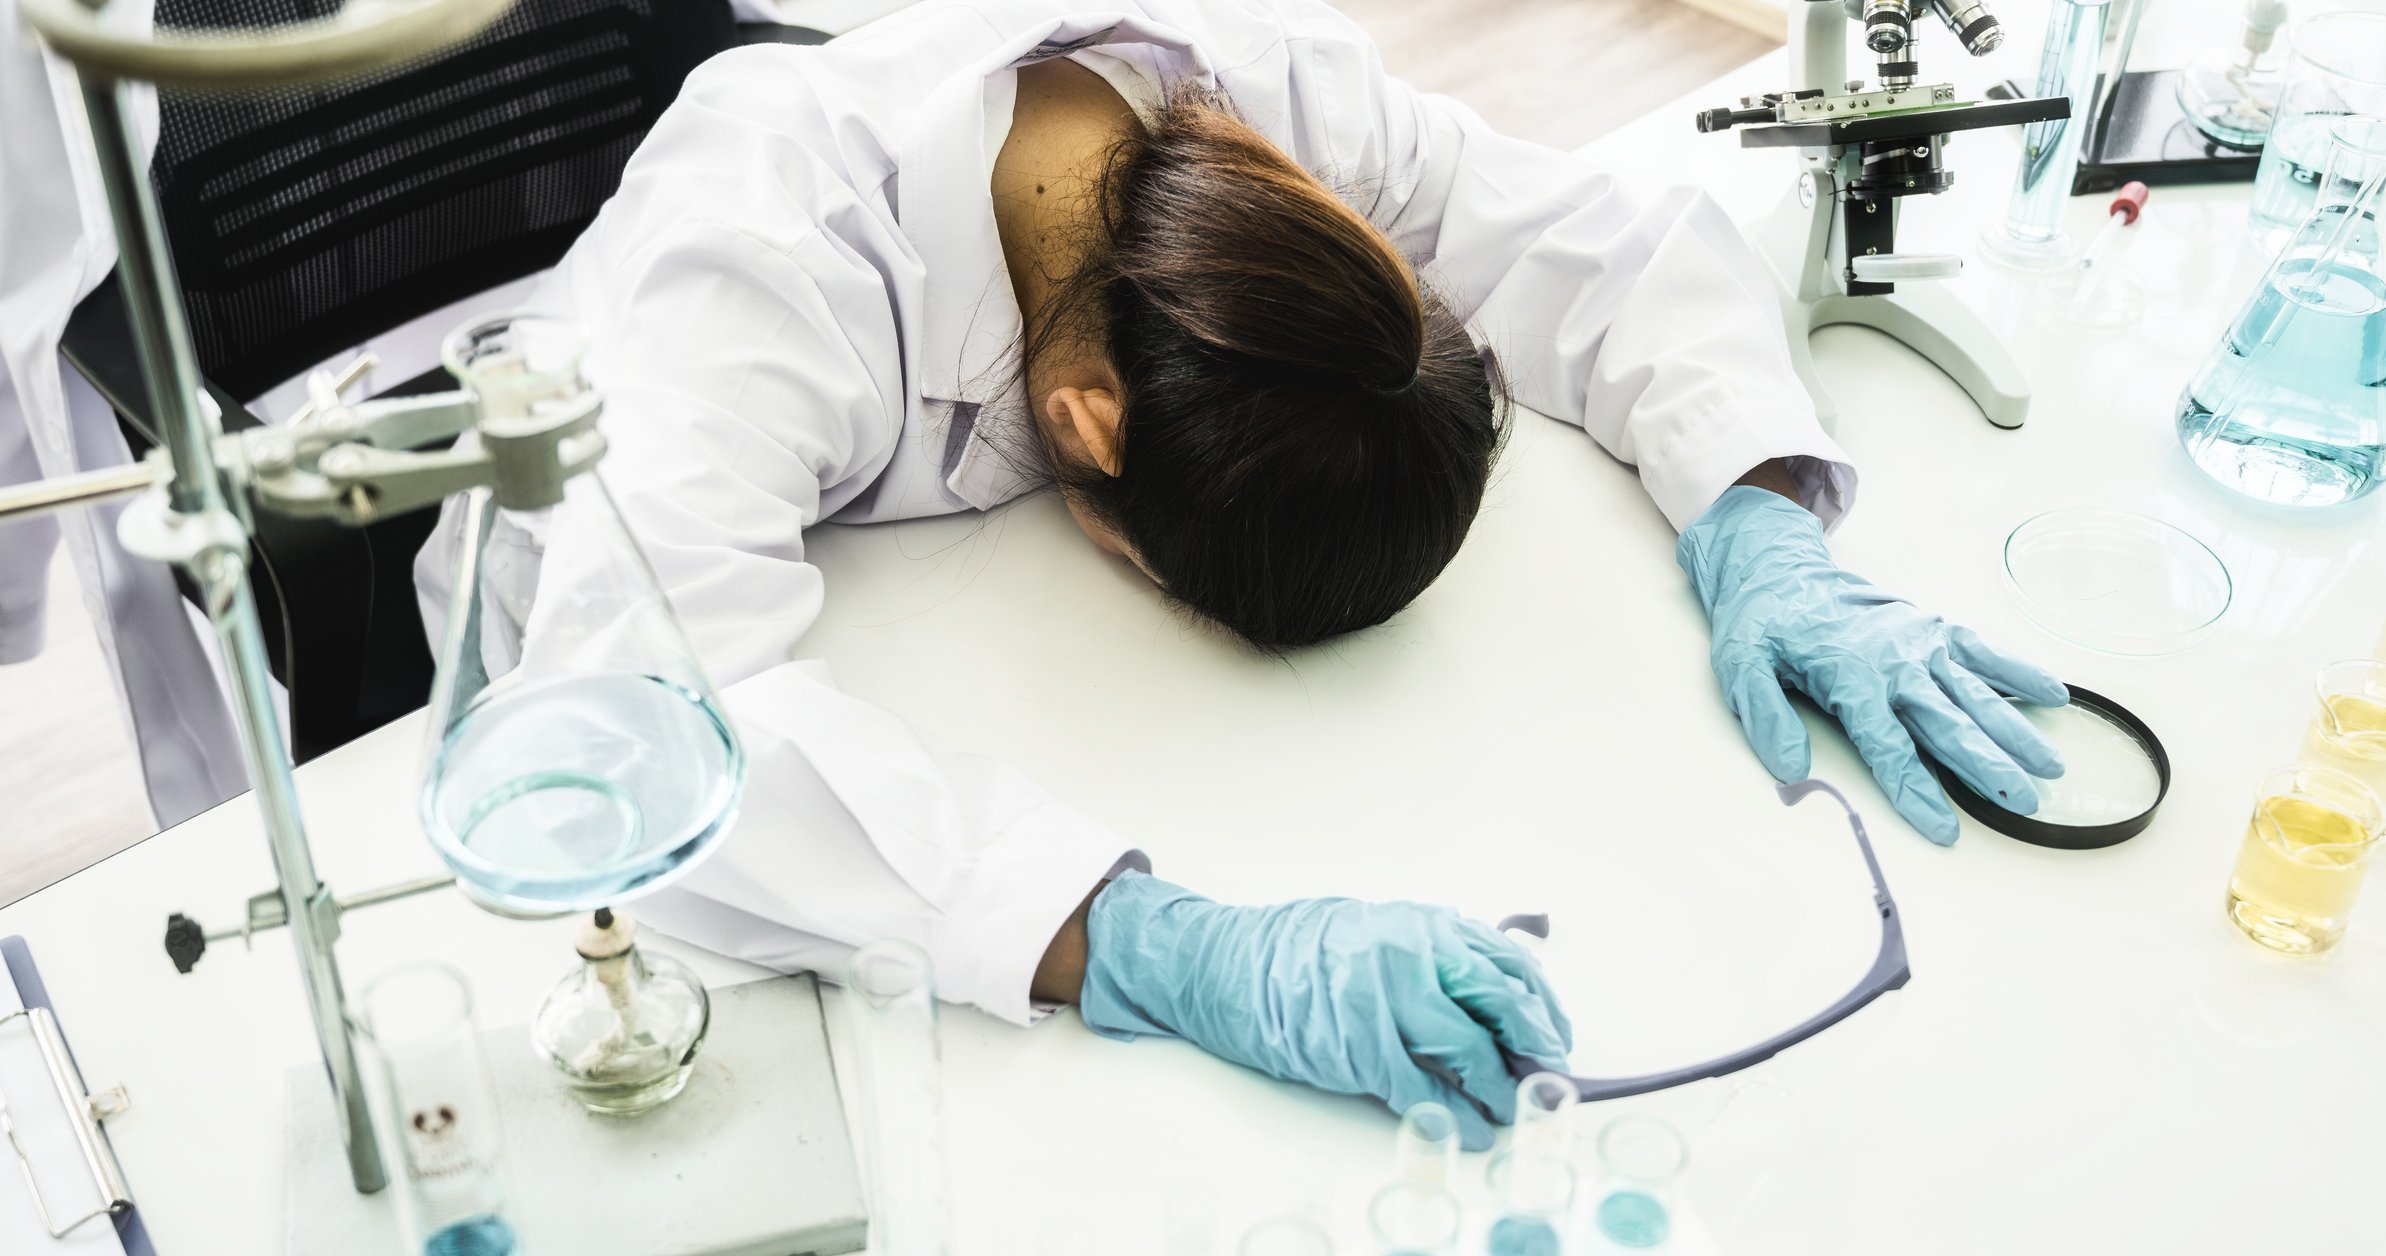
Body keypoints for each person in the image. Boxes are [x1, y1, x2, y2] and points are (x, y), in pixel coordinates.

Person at [414, 0, 2068, 1149]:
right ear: (1085, 426)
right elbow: (659, 721)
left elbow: (1599, 245)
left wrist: (1764, 527)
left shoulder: (1278, 105)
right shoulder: (752, 266)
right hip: (551, 632)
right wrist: (1152, 945)